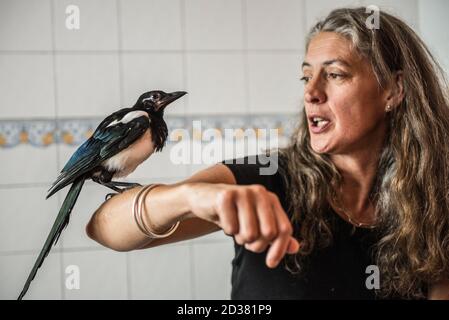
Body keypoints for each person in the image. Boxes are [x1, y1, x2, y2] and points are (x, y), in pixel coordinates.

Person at [86, 7, 449, 299]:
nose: (311, 93)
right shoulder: (268, 176)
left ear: (393, 90)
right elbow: (105, 229)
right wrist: (190, 196)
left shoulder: (433, 202)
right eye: (306, 77)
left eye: (335, 75)